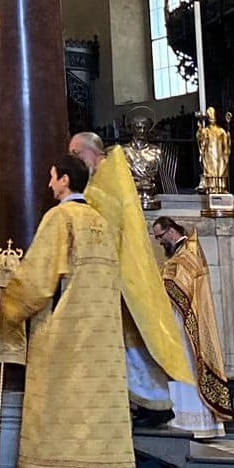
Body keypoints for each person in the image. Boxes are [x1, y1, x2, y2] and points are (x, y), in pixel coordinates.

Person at [0, 155, 139, 468]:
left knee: (59, 414)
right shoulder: (101, 222)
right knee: (94, 416)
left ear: (66, 181)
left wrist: (6, 302)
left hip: (66, 338)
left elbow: (39, 281)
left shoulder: (61, 218)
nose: (48, 185)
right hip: (100, 339)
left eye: (52, 178)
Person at [70, 131, 193, 426]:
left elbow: (110, 218)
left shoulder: (108, 175)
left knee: (134, 336)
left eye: (76, 155)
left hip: (122, 272)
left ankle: (155, 404)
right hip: (114, 271)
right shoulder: (106, 174)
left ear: (92, 152)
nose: (74, 162)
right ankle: (139, 403)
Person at [153, 216, 233, 438]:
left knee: (186, 367)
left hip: (186, 322)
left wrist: (158, 282)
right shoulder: (179, 255)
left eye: (160, 237)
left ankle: (193, 424)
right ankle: (180, 420)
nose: (159, 242)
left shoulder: (189, 253)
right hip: (175, 320)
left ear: (170, 232)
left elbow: (180, 284)